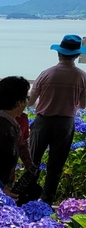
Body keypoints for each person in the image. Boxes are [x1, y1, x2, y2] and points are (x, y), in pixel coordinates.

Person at [28, 34, 86, 204]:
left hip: (43, 121)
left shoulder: (46, 74)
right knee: (56, 165)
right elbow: (82, 105)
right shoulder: (82, 77)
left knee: (33, 161)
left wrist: (44, 101)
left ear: (59, 53)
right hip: (65, 124)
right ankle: (47, 199)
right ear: (76, 55)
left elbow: (30, 101)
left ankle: (28, 196)